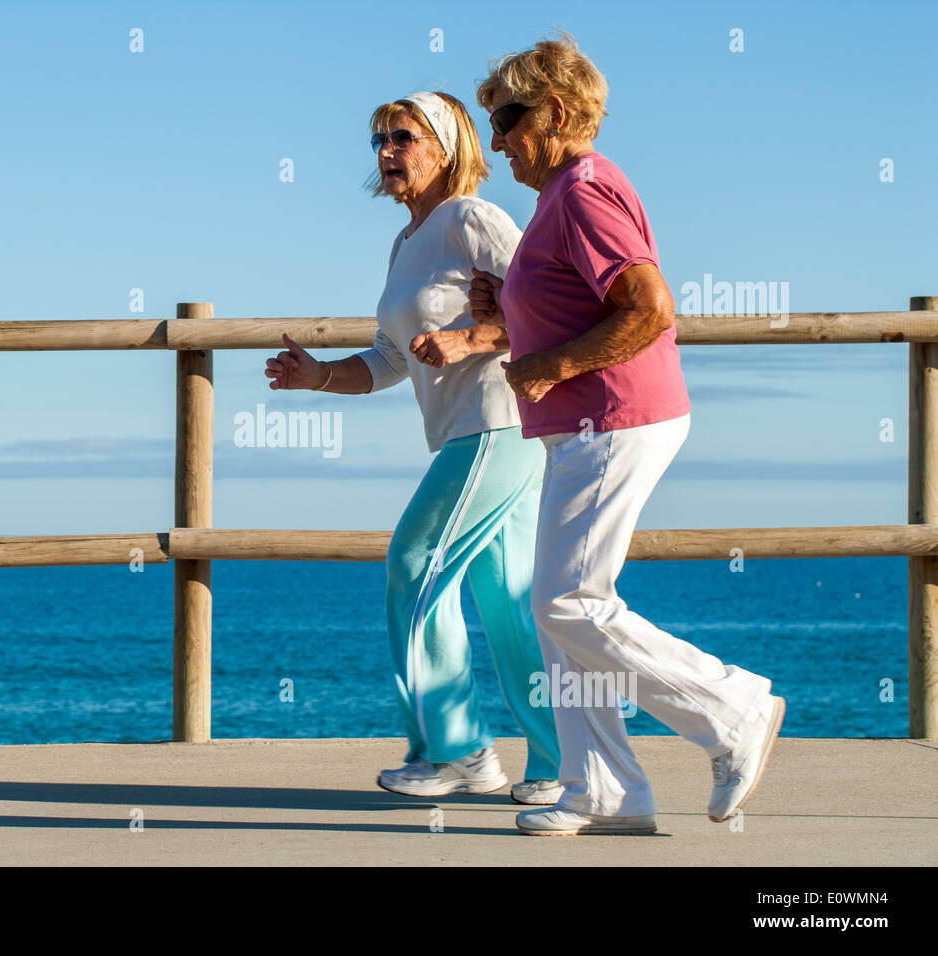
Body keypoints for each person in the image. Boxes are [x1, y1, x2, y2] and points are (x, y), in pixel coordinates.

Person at [470, 34, 784, 835]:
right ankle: (603, 789)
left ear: (560, 112)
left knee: (569, 600)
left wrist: (549, 366)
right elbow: (580, 301)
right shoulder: (563, 197)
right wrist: (507, 310)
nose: (497, 139)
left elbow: (649, 306)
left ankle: (731, 707)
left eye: (506, 117)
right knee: (561, 610)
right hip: (589, 422)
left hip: (612, 417)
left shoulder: (580, 190)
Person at [264, 91, 561, 802]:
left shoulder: (473, 219)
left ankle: (455, 751)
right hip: (466, 436)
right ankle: (562, 766)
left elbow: (549, 308)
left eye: (404, 136)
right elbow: (392, 361)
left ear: (449, 147)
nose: (387, 151)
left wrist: (470, 338)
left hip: (499, 425)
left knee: (414, 562)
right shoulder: (407, 243)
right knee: (509, 605)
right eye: (379, 140)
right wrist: (319, 377)